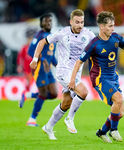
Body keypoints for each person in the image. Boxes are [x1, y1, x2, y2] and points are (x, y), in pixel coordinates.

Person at [67, 11, 124, 143]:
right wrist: (72, 80)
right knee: (119, 100)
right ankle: (113, 130)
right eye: (110, 26)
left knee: (119, 113)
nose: (113, 28)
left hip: (113, 78)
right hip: (100, 79)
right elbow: (79, 62)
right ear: (102, 27)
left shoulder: (115, 37)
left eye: (113, 25)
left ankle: (102, 131)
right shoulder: (93, 44)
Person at [29, 9, 95, 139]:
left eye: (82, 22)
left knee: (66, 103)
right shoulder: (62, 33)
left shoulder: (88, 34)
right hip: (63, 71)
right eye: (77, 22)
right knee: (83, 92)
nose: (80, 25)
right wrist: (35, 59)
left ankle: (48, 127)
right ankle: (70, 119)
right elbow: (42, 42)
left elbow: (97, 46)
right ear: (71, 22)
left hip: (76, 73)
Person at [24, 13, 58, 127]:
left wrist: (58, 65)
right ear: (41, 23)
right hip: (40, 69)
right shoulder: (39, 35)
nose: (48, 23)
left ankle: (29, 95)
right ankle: (31, 119)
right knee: (43, 93)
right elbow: (30, 51)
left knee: (53, 94)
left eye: (50, 21)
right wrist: (41, 59)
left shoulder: (52, 37)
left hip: (48, 70)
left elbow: (51, 55)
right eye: (46, 21)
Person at [17, 27, 36, 96]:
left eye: (31, 39)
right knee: (28, 79)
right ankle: (27, 92)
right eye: (29, 39)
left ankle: (34, 92)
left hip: (35, 66)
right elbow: (20, 57)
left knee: (36, 79)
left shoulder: (35, 47)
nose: (30, 40)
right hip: (27, 66)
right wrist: (19, 66)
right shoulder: (24, 47)